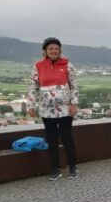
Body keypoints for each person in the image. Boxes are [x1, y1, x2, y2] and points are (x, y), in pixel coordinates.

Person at [28, 37, 79, 180]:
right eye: (51, 48)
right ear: (45, 51)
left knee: (67, 137)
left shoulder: (68, 65)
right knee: (52, 139)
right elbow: (33, 87)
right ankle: (55, 169)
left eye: (56, 48)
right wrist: (31, 105)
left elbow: (74, 86)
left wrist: (74, 104)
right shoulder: (38, 66)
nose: (54, 50)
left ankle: (72, 167)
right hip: (46, 109)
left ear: (60, 50)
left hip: (65, 108)